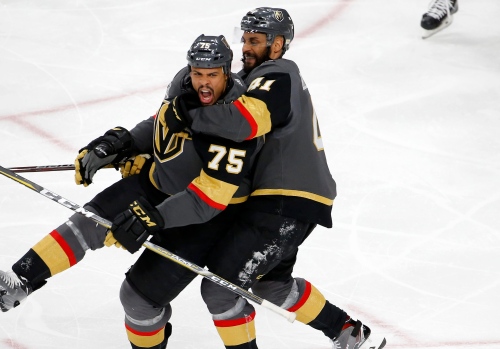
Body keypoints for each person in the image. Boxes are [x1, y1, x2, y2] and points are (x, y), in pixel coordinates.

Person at [0, 34, 260, 332]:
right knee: (86, 222)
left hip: (200, 217)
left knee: (137, 301)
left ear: (227, 70)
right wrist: (121, 144)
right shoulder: (181, 83)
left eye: (212, 74)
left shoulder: (237, 115)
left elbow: (208, 199)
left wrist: (151, 219)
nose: (204, 83)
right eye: (198, 73)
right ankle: (17, 284)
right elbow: (161, 123)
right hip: (156, 184)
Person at [157, 7, 387, 349]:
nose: (246, 47)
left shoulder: (277, 74)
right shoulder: (260, 77)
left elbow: (242, 123)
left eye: (255, 40)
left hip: (284, 200)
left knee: (219, 287)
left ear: (277, 44)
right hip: (286, 199)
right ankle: (350, 333)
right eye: (245, 39)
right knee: (272, 284)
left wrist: (188, 114)